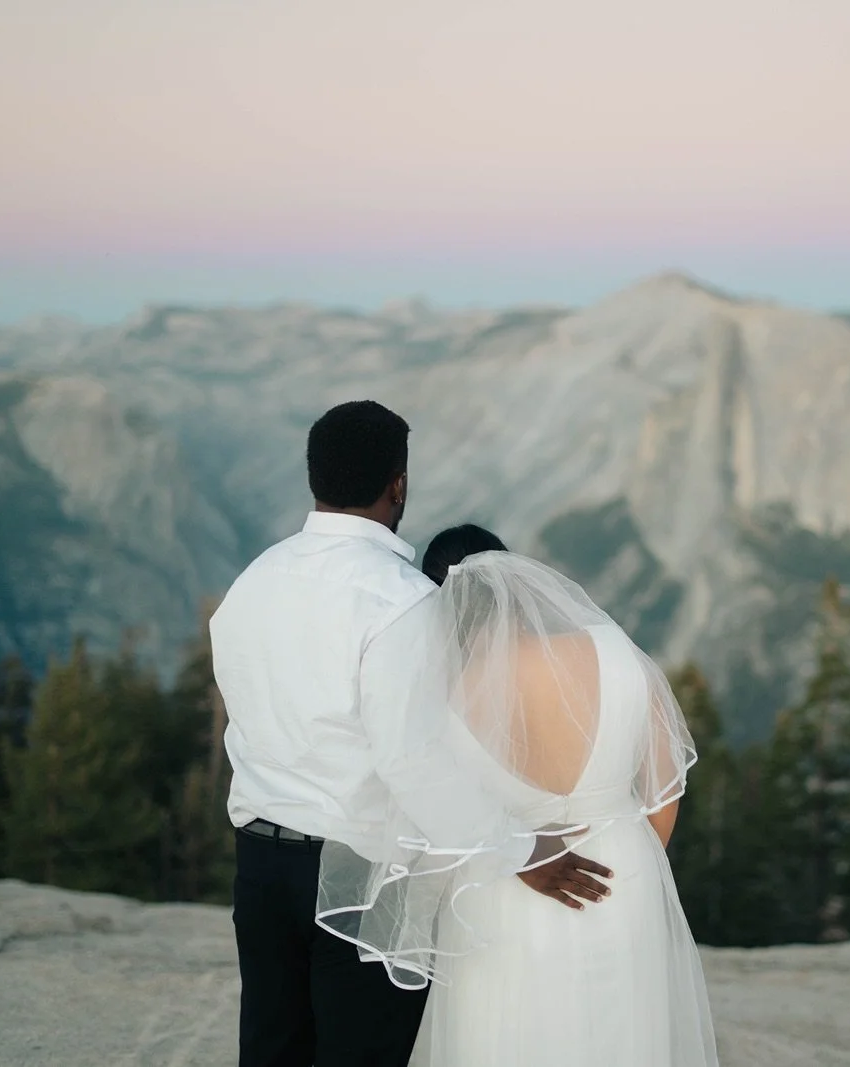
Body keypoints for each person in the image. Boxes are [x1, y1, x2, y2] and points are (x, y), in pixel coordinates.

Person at [210, 402, 612, 1067]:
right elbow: (415, 761)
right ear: (398, 483)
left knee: (272, 1050)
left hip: (258, 861)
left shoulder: (254, 580)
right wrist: (522, 850)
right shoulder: (402, 603)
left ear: (316, 478)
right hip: (359, 874)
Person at [315, 524, 721, 1067]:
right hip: (624, 882)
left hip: (505, 892)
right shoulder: (617, 652)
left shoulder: (445, 697)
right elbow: (663, 792)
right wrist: (630, 864)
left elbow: (427, 810)